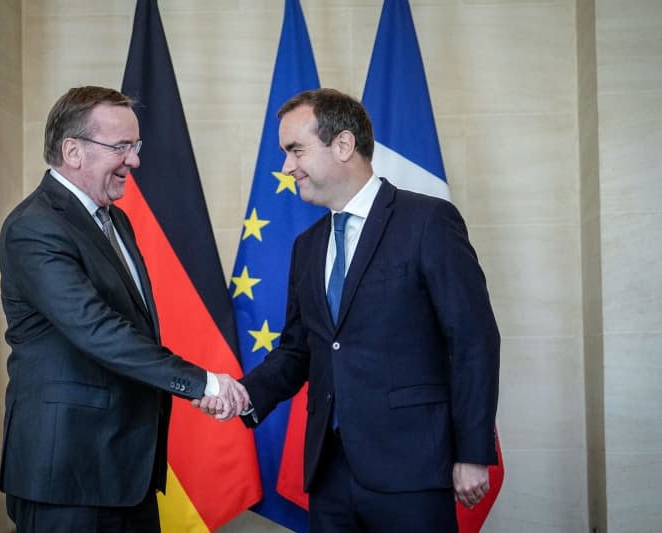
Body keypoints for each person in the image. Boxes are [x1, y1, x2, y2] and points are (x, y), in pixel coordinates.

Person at [198, 88, 500, 532]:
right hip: (330, 474)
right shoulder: (307, 246)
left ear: (342, 145)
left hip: (412, 469)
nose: (286, 167)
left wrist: (472, 452)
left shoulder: (428, 222)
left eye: (295, 149)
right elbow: (299, 350)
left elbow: (473, 340)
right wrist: (243, 394)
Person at [0, 85, 247, 533]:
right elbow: (96, 329)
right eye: (121, 147)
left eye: (136, 146)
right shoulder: (35, 227)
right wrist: (201, 383)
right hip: (69, 474)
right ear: (73, 151)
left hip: (126, 468)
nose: (134, 160)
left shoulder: (116, 220)